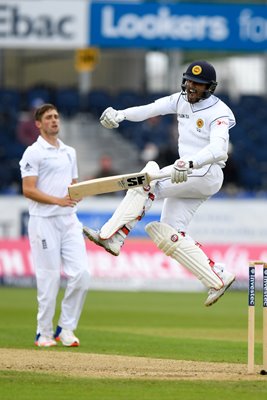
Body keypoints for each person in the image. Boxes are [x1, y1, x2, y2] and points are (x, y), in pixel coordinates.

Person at [83, 60, 236, 307]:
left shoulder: (220, 112)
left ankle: (113, 234)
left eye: (197, 84)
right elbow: (150, 109)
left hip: (205, 171)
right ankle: (217, 277)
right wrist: (120, 114)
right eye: (189, 81)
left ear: (209, 88)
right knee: (166, 232)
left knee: (148, 178)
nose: (191, 87)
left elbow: (219, 149)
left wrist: (190, 164)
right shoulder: (180, 100)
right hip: (187, 173)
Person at [19, 103, 90, 347]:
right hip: (43, 221)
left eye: (57, 116)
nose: (54, 120)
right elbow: (28, 189)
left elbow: (73, 185)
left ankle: (66, 329)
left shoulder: (69, 152)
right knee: (49, 279)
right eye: (49, 117)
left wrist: (78, 194)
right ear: (38, 124)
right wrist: (58, 201)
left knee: (81, 274)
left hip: (69, 220)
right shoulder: (33, 152)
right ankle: (44, 332)